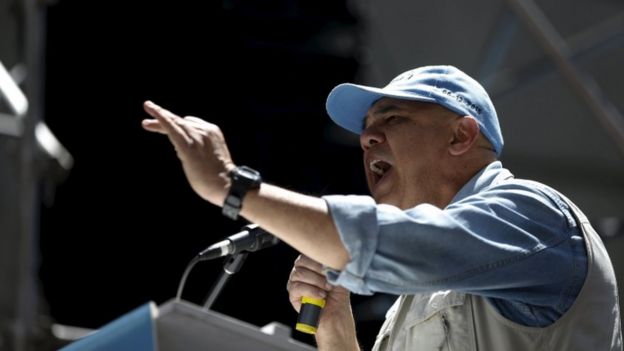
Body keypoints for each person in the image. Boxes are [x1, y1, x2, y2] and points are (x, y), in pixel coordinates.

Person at [141, 65, 622, 350]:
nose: (368, 138)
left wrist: (232, 187)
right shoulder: (412, 302)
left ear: (460, 135)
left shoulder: (535, 217)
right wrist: (336, 336)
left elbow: (390, 241)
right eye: (367, 127)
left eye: (393, 118)